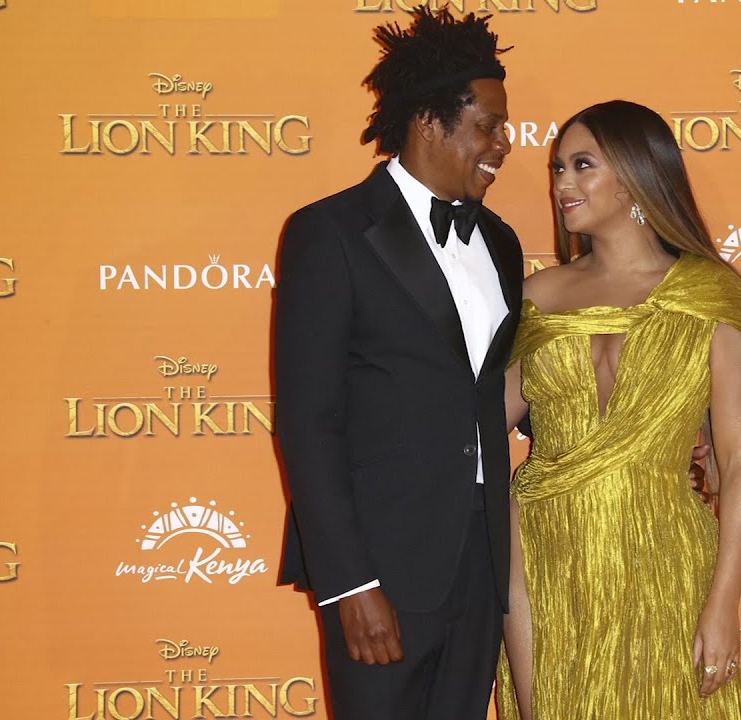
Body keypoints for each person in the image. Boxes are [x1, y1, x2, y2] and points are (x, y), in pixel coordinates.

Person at [273, 9, 521, 720]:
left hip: (481, 560)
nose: (504, 143)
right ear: (428, 123)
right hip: (380, 564)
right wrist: (350, 584)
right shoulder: (331, 232)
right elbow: (310, 423)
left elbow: (505, 390)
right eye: (488, 126)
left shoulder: (500, 242)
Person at [497, 100, 741, 719]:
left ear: (636, 173)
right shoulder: (536, 295)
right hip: (541, 550)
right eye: (558, 167)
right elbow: (478, 430)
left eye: (582, 165)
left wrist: (724, 603)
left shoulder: (711, 295)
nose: (561, 183)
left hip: (664, 554)